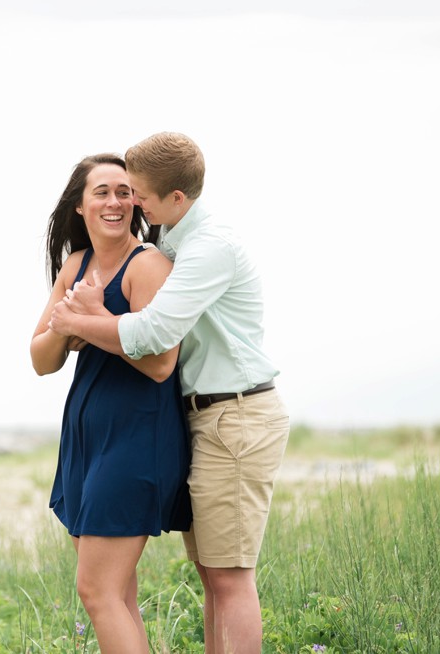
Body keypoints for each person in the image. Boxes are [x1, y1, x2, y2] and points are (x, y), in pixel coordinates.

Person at [49, 132, 290, 654]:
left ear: (175, 198)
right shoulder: (174, 240)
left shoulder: (207, 248)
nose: (129, 202)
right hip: (205, 417)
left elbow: (154, 340)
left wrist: (82, 317)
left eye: (137, 192)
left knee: (228, 580)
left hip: (237, 415)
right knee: (213, 578)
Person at [31, 153, 193, 654]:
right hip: (85, 442)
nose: (115, 201)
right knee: (116, 591)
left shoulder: (147, 266)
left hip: (136, 441)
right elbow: (40, 358)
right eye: (102, 191)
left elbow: (162, 364)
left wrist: (90, 324)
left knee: (96, 590)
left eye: (125, 191)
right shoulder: (74, 266)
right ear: (79, 205)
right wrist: (68, 324)